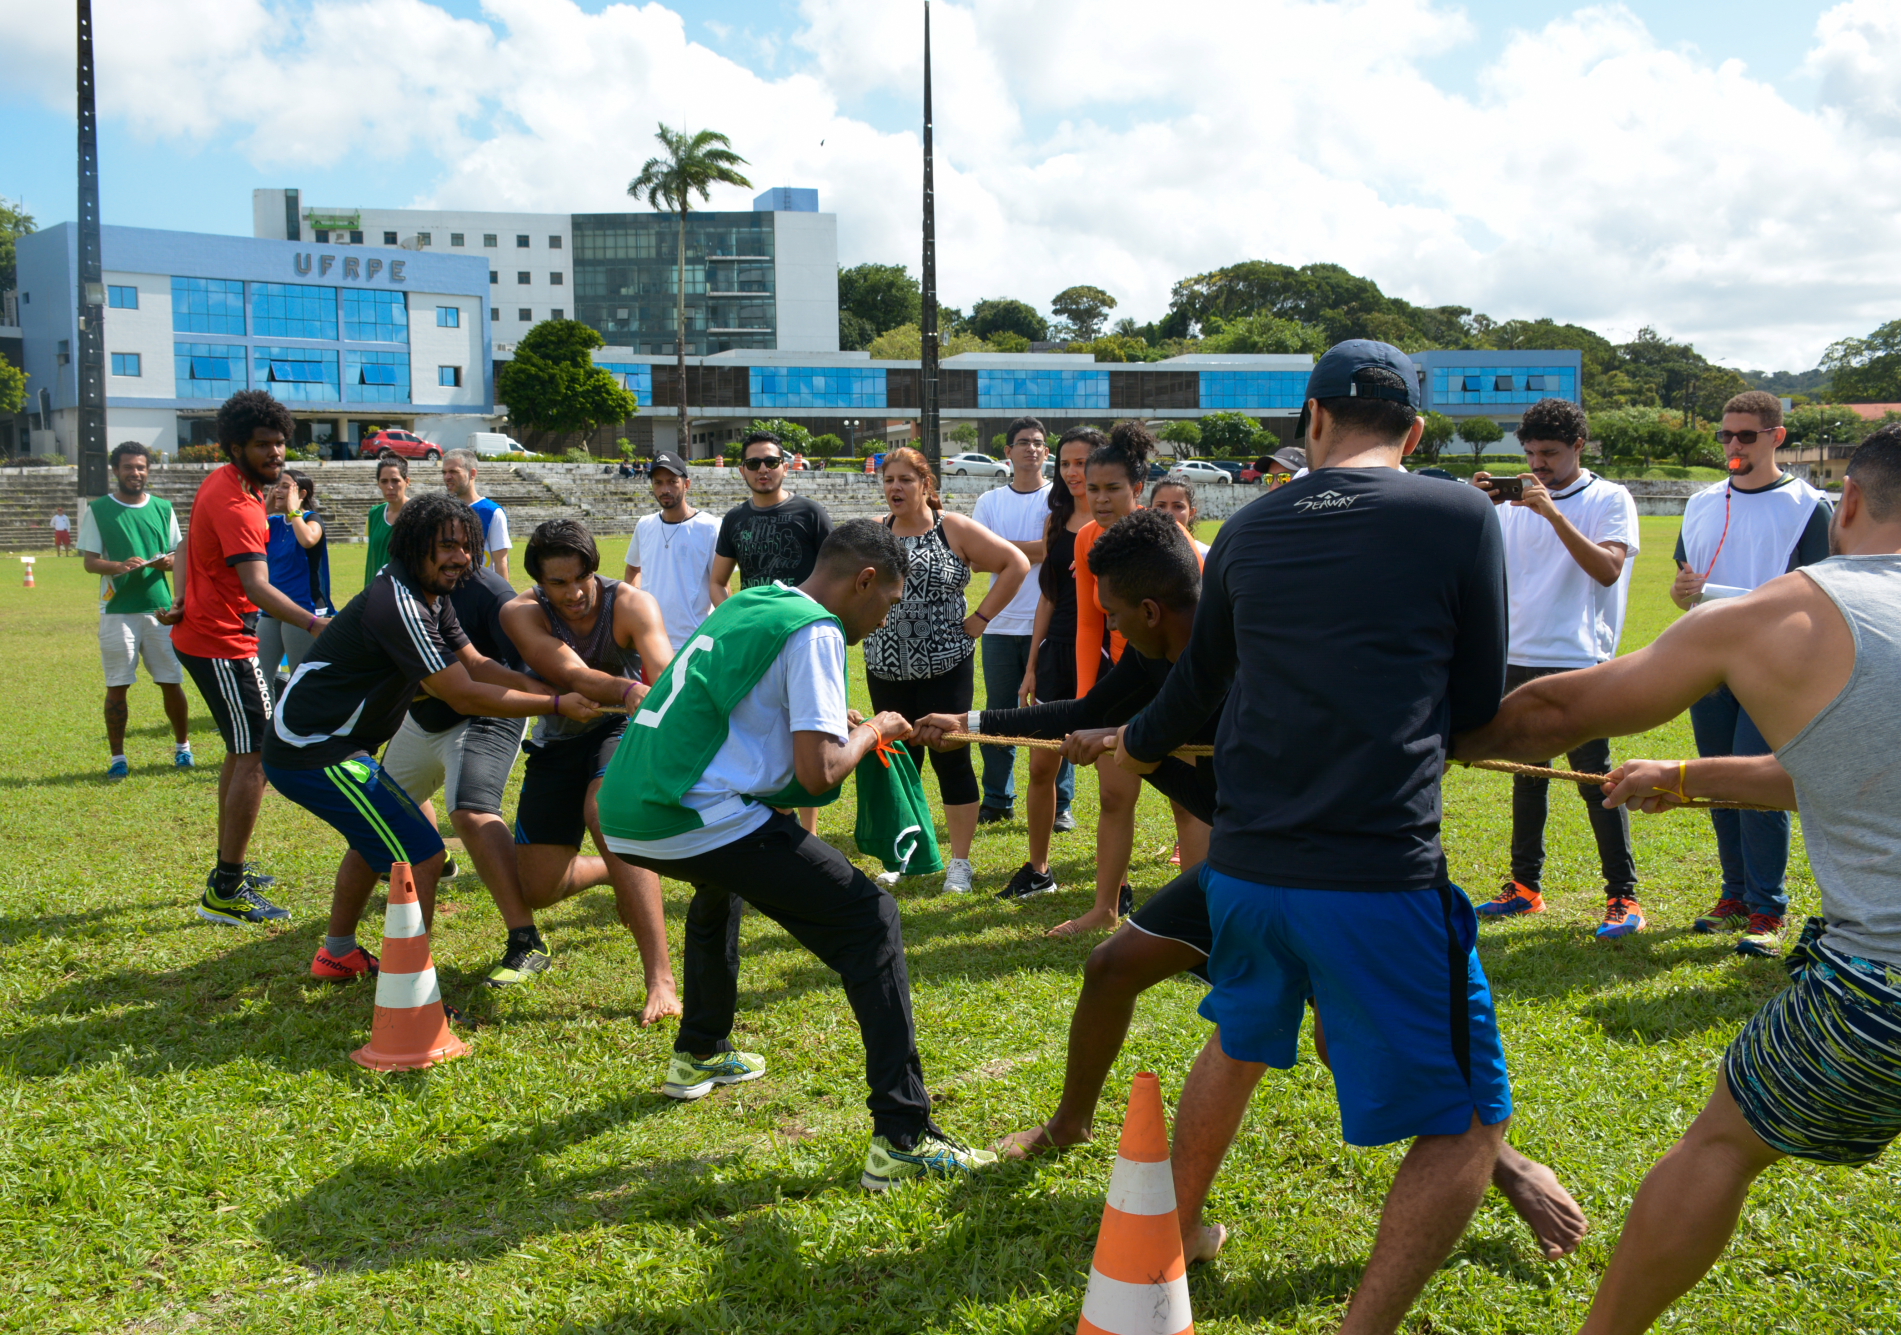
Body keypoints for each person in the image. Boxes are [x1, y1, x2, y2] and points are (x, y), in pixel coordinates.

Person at [913, 509, 1585, 1264]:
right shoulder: (1159, 654)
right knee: (1113, 968)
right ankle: (1070, 1125)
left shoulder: (1248, 656)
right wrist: (968, 718)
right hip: (1243, 870)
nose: (1110, 628)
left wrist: (1138, 748)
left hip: (1311, 869)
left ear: (1149, 610)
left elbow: (1203, 768)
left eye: (1110, 613)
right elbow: (1091, 713)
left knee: (1342, 1040)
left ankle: (1507, 1165)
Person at [1454, 426, 1901, 1334]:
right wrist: (1687, 777)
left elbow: (1556, 708)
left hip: (1880, 991)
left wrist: (1421, 739)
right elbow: (1849, 764)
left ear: (1844, 503)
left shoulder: (1788, 611)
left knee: (1719, 1145)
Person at [1117, 341, 1513, 1335]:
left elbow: (1195, 682)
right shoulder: (1459, 511)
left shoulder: (1247, 528)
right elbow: (1473, 702)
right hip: (1372, 874)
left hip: (1243, 870)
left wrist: (1125, 741)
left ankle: (1177, 1229)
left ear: (1311, 420)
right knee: (1469, 1125)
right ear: (1412, 433)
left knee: (1240, 1033)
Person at [596, 520, 998, 1188]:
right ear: (865, 580)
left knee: (721, 880)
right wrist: (876, 725)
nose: (884, 616)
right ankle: (903, 1136)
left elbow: (738, 699)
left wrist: (843, 722)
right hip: (683, 810)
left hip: (628, 809)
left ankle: (700, 1048)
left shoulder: (760, 600)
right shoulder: (816, 629)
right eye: (889, 603)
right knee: (871, 919)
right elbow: (818, 775)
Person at [264, 493, 602, 982]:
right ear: (413, 542)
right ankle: (408, 985)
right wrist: (553, 705)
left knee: (381, 837)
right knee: (421, 855)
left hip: (334, 745)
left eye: (467, 545)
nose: (460, 557)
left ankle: (338, 953)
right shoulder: (399, 602)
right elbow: (463, 694)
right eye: (446, 546)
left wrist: (551, 689)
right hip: (311, 749)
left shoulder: (431, 594)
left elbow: (481, 665)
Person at [1470, 398, 1644, 938]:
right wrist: (1475, 507)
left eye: (1549, 453)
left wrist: (1552, 512)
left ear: (1578, 447)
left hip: (1579, 659)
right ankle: (1525, 888)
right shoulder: (1509, 504)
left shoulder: (1609, 497)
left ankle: (1625, 898)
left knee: (1597, 783)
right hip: (1514, 656)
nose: (1538, 464)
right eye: (1529, 453)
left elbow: (1609, 569)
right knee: (1528, 777)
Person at [161, 391, 336, 927]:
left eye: (280, 443)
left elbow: (191, 540)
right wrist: (313, 623)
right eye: (263, 445)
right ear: (235, 444)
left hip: (210, 633)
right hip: (223, 643)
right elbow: (257, 587)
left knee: (243, 754)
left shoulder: (225, 481)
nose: (275, 454)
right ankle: (226, 888)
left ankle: (229, 866)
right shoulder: (238, 500)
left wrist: (183, 596)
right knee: (258, 756)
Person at [1671, 390, 1833, 957]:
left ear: (1777, 437)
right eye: (1725, 435)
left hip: (1775, 668)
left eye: (1746, 435)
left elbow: (1820, 597)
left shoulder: (1809, 507)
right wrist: (1681, 591)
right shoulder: (1701, 503)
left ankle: (1768, 908)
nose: (1733, 446)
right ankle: (1733, 896)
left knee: (1755, 787)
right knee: (1717, 784)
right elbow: (1682, 586)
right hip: (1708, 666)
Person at [499, 519, 681, 1024]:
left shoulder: (629, 602)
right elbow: (569, 673)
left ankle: (660, 978)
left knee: (603, 809)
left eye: (581, 578)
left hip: (618, 731)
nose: (574, 592)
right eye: (558, 583)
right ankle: (617, 871)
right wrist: (626, 689)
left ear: (594, 569)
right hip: (557, 740)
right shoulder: (521, 612)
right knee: (539, 888)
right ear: (539, 582)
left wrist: (657, 693)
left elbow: (663, 666)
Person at [863, 447, 1029, 892]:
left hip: (946, 663)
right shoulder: (877, 532)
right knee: (899, 762)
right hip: (885, 665)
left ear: (925, 484)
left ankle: (959, 863)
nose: (895, 488)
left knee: (950, 758)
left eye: (905, 480)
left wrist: (981, 618)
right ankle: (905, 854)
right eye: (888, 480)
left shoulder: (950, 528)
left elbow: (1016, 563)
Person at [377, 540, 534, 985]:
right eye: (439, 546)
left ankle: (525, 938)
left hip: (487, 713)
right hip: (423, 718)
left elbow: (520, 669)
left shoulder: (491, 593)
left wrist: (554, 702)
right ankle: (340, 946)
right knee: (378, 810)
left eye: (458, 546)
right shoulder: (398, 587)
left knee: (470, 810)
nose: (453, 559)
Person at [1054, 421, 1175, 939]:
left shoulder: (1169, 538)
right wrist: (1088, 704)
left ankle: (1202, 920)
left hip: (1177, 683)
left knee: (1189, 803)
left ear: (1138, 489)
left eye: (1113, 489)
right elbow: (1088, 622)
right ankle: (1106, 907)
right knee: (1113, 798)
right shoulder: (1086, 538)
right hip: (1122, 684)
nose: (1100, 500)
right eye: (1092, 487)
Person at [710, 429, 835, 833]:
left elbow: (836, 572)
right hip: (757, 644)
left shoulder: (810, 513)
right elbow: (717, 580)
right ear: (742, 470)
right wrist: (735, 620)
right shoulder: (735, 519)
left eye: (770, 461)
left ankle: (810, 831)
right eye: (753, 463)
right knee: (762, 727)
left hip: (804, 639)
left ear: (786, 464)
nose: (762, 470)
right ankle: (772, 817)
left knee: (811, 729)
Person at [1002, 427, 1100, 902]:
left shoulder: (1121, 521)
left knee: (1117, 778)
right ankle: (1039, 870)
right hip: (1057, 652)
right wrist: (1032, 665)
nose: (1073, 472)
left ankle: (1116, 883)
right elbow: (1048, 596)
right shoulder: (1057, 519)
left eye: (1082, 462)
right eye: (1065, 463)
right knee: (1041, 768)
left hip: (1106, 655)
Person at [969, 416, 1075, 827]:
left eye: (1037, 442)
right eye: (1022, 442)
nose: (1031, 448)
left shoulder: (1059, 501)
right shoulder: (990, 501)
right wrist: (1030, 550)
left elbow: (1052, 551)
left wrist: (1003, 550)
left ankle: (1061, 804)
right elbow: (976, 559)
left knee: (1053, 717)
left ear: (1047, 453)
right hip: (997, 625)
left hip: (1047, 625)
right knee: (998, 715)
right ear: (1008, 452)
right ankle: (997, 799)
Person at [78, 441, 192, 778]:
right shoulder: (99, 510)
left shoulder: (163, 507)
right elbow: (89, 563)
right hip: (117, 611)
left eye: (141, 467)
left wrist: (170, 563)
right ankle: (118, 758)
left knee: (171, 681)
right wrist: (119, 565)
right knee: (118, 684)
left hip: (160, 609)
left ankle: (183, 748)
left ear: (148, 470)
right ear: (116, 471)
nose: (135, 473)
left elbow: (178, 555)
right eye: (128, 467)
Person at [622, 451, 722, 651]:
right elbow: (634, 569)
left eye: (672, 482)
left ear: (686, 484)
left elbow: (721, 583)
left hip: (696, 641)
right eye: (658, 482)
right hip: (651, 638)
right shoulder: (645, 525)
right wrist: (634, 608)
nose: (664, 489)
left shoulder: (710, 526)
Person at [258, 469, 331, 703]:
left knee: (301, 675)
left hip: (302, 607)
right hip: (271, 607)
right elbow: (248, 536)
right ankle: (264, 727)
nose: (278, 490)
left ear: (301, 493)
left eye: (285, 486)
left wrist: (294, 510)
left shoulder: (311, 518)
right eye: (275, 485)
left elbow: (308, 539)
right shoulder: (273, 522)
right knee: (259, 672)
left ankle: (308, 725)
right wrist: (265, 509)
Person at [441, 449, 512, 584]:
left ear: (472, 473)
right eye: (444, 472)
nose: (447, 477)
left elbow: (501, 561)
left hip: (480, 592)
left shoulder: (491, 512)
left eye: (453, 472)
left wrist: (504, 600)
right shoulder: (442, 510)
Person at [363, 454, 410, 583]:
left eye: (395, 480)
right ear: (378, 484)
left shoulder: (419, 513)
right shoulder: (375, 513)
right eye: (384, 481)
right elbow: (373, 557)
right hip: (375, 590)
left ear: (407, 482)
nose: (390, 486)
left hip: (407, 593)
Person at [1148, 478, 1209, 555]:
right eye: (1161, 506)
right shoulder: (1138, 554)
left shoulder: (1205, 555)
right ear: (1150, 510)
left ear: (1191, 513)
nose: (1168, 513)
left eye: (1178, 506)